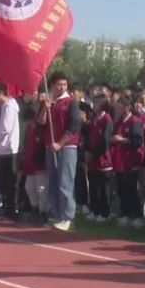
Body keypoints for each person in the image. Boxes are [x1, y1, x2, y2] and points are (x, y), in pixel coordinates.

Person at [41, 71, 82, 231]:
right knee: (53, 182)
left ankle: (68, 217)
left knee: (65, 182)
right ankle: (56, 214)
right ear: (51, 85)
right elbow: (40, 122)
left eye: (64, 84)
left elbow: (74, 125)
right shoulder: (48, 102)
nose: (62, 87)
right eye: (59, 84)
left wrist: (60, 143)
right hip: (50, 147)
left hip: (67, 147)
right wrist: (44, 109)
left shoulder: (71, 102)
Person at [112, 94, 145, 228]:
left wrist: (122, 140)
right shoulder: (118, 123)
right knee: (122, 189)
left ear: (127, 107)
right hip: (119, 162)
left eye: (121, 107)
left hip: (131, 161)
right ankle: (126, 215)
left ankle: (137, 216)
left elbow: (137, 141)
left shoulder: (135, 122)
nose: (119, 110)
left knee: (131, 189)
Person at [0, 83, 20, 218]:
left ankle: (12, 209)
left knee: (9, 181)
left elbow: (5, 128)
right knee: (2, 181)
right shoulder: (1, 107)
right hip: (1, 149)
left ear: (1, 92)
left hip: (9, 149)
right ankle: (6, 207)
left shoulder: (9, 106)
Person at [85, 96, 115, 222]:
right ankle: (95, 210)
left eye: (96, 103)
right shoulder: (93, 120)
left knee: (103, 188)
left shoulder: (107, 119)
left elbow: (105, 140)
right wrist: (87, 151)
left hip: (103, 159)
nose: (94, 105)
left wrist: (94, 153)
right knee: (93, 186)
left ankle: (105, 212)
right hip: (92, 160)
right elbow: (89, 138)